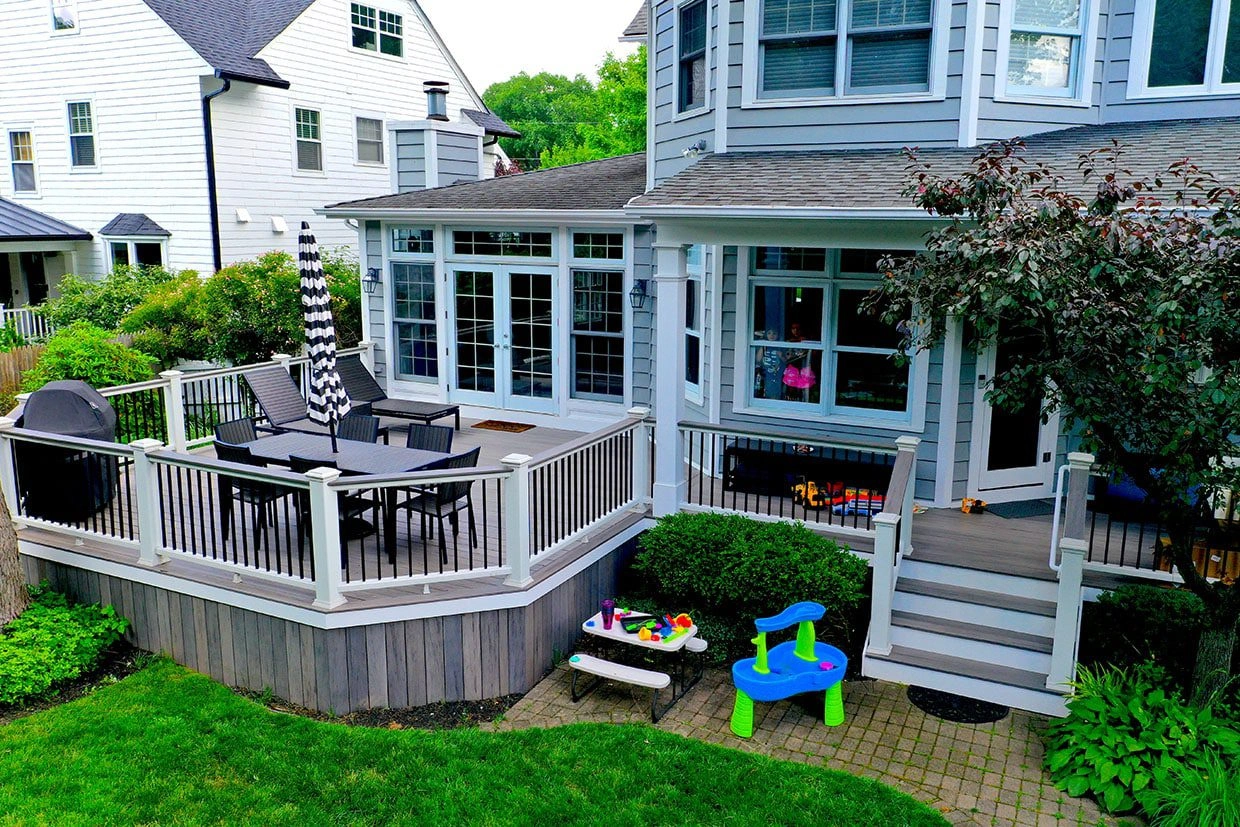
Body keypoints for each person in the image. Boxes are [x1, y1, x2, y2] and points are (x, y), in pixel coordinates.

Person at [756, 329, 786, 399]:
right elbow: (758, 359)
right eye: (769, 333)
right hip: (765, 374)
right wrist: (763, 346)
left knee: (776, 392)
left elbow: (785, 361)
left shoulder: (780, 346)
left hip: (777, 374)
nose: (771, 335)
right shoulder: (764, 346)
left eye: (774, 333)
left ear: (778, 335)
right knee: (765, 391)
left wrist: (781, 356)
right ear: (766, 335)